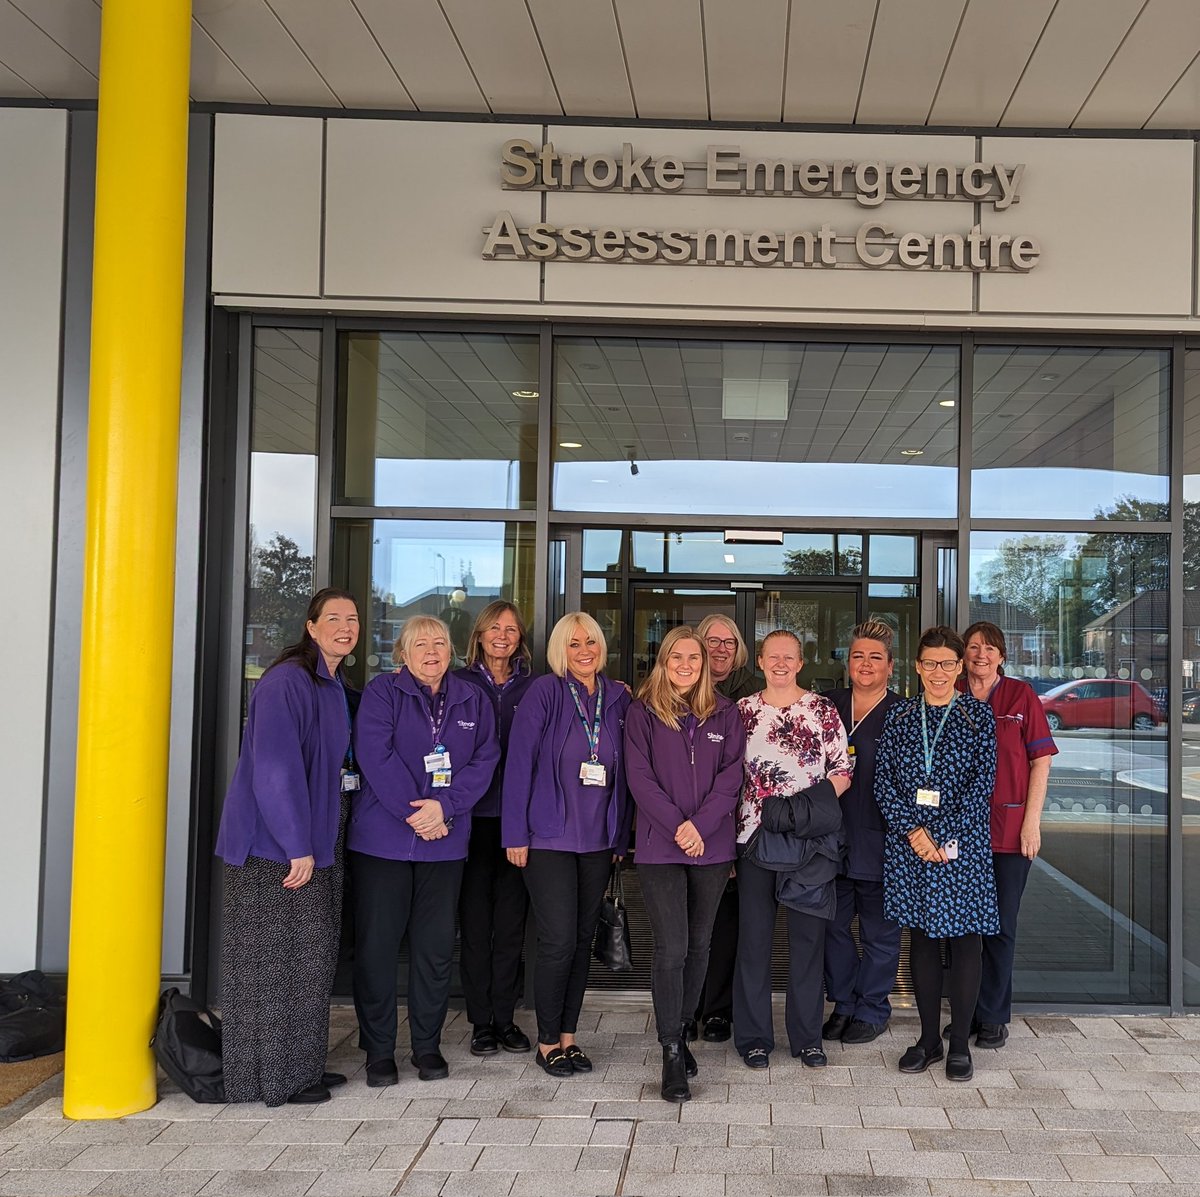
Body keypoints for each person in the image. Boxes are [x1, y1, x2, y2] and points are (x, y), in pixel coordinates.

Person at [215, 587, 361, 1106]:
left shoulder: (331, 682)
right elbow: (274, 773)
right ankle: (269, 1081)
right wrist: (296, 845)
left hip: (315, 842)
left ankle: (302, 1069)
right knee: (271, 966)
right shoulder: (285, 683)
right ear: (311, 625)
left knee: (309, 960)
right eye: (334, 618)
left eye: (353, 619)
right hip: (273, 851)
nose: (346, 626)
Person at [349, 616, 499, 1085]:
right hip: (384, 843)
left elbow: (485, 759)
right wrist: (416, 812)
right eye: (420, 644)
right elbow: (376, 756)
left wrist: (445, 807)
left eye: (439, 643)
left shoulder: (471, 697)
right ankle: (378, 1051)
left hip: (446, 844)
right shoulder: (382, 693)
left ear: (451, 650)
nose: (431, 651)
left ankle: (427, 1047)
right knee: (377, 948)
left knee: (434, 951)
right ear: (403, 653)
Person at [502, 611, 631, 1078]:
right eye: (573, 644)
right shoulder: (545, 692)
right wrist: (513, 832)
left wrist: (621, 834)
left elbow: (629, 772)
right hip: (548, 837)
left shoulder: (618, 697)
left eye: (591, 642)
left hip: (598, 840)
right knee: (556, 940)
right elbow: (518, 764)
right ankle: (546, 1041)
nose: (584, 651)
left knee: (579, 940)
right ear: (561, 649)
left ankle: (570, 1038)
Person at [624, 626, 746, 1102]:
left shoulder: (726, 713)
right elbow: (639, 777)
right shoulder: (643, 713)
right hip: (661, 847)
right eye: (678, 655)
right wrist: (679, 826)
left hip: (711, 848)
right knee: (672, 947)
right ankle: (671, 1049)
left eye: (694, 656)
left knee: (699, 946)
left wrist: (701, 826)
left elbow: (731, 776)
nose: (686, 663)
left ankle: (682, 1026)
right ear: (664, 659)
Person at [874, 625, 998, 1083]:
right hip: (912, 848)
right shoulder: (902, 717)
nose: (939, 672)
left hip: (962, 850)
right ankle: (928, 1039)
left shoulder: (976, 717)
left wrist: (940, 835)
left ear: (960, 666)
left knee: (966, 943)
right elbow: (883, 782)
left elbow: (981, 786)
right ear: (917, 666)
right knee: (923, 941)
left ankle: (959, 1043)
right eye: (930, 663)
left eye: (948, 663)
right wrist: (914, 832)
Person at [733, 629, 853, 1071]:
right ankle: (753, 1039)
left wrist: (800, 812)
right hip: (753, 841)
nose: (781, 663)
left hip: (809, 844)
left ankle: (807, 1038)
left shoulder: (821, 710)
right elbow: (728, 776)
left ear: (801, 663)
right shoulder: (742, 712)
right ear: (760, 662)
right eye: (772, 657)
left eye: (790, 657)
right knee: (754, 942)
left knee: (808, 942)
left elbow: (842, 770)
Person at [957, 619, 1057, 1049]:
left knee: (1000, 927)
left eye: (989, 648)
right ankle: (965, 1013)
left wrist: (1031, 821)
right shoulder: (951, 693)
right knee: (961, 926)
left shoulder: (1021, 696)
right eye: (974, 647)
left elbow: (1041, 760)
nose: (981, 654)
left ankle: (993, 1016)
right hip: (959, 831)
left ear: (1001, 656)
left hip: (1008, 831)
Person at [454, 601, 536, 1058]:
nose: (502, 635)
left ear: (519, 636)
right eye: (493, 628)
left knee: (510, 926)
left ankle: (505, 1019)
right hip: (470, 820)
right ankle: (480, 1022)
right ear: (480, 635)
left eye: (510, 629)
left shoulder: (536, 685)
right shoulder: (458, 682)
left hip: (518, 821)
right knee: (475, 924)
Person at [823, 620, 903, 1045]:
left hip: (881, 841)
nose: (866, 664)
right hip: (832, 842)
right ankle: (843, 1003)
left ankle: (873, 1007)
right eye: (858, 656)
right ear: (847, 663)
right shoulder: (825, 706)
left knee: (879, 932)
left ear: (890, 666)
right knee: (832, 928)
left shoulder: (905, 713)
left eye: (875, 657)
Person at [692, 613, 761, 1043]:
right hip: (683, 821)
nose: (720, 649)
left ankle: (717, 1010)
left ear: (738, 651)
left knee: (725, 921)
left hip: (735, 822)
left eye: (728, 643)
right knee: (688, 922)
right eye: (711, 641)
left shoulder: (753, 693)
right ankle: (687, 1008)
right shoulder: (678, 685)